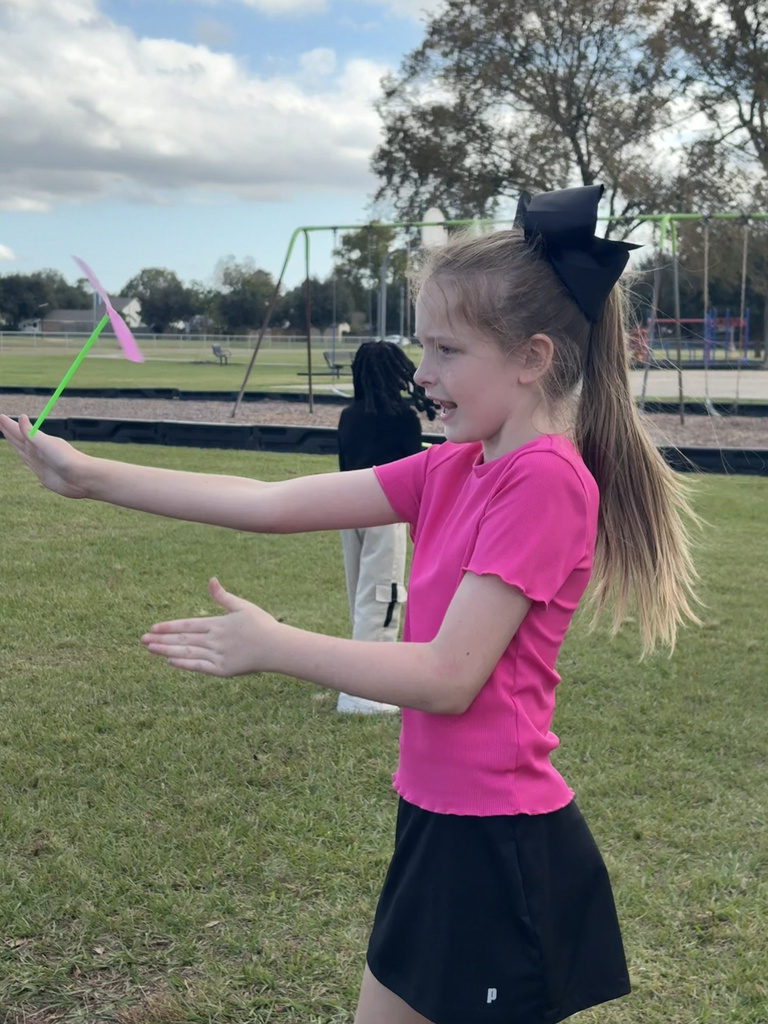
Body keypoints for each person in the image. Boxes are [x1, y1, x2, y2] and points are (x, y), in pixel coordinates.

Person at [0, 184, 700, 1024]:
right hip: (438, 823)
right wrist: (87, 477)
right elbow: (273, 503)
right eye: (421, 346)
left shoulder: (543, 481)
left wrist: (273, 644)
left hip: (497, 844)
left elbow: (449, 677)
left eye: (445, 350)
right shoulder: (453, 468)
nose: (421, 373)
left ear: (532, 357)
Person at [336, 340, 436, 714]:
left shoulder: (349, 416)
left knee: (359, 591)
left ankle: (358, 676)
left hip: (346, 512)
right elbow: (412, 476)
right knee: (382, 594)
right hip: (384, 514)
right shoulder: (403, 419)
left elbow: (344, 466)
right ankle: (365, 694)